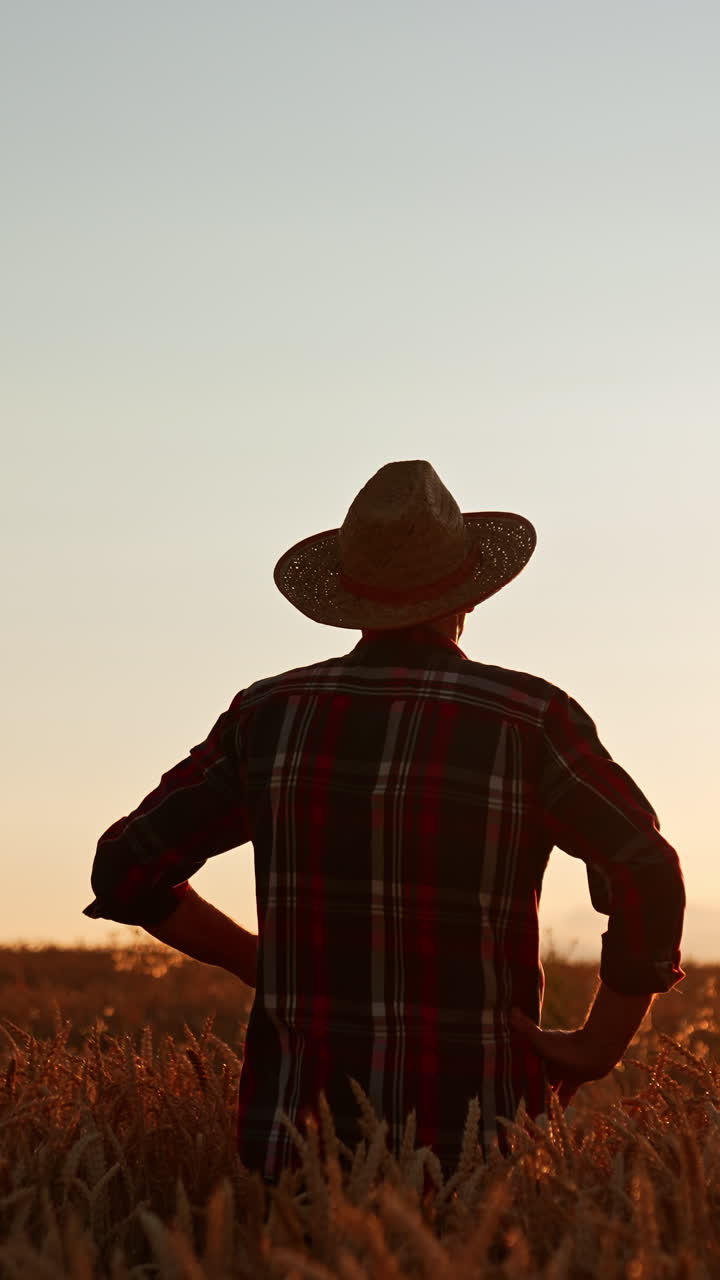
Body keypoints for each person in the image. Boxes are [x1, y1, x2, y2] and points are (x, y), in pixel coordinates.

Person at [85, 459, 685, 1179]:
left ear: (351, 595)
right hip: (478, 1146)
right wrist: (598, 1047)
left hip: (295, 1141)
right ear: (467, 593)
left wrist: (256, 961)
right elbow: (646, 870)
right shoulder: (528, 719)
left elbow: (125, 868)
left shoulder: (268, 716)